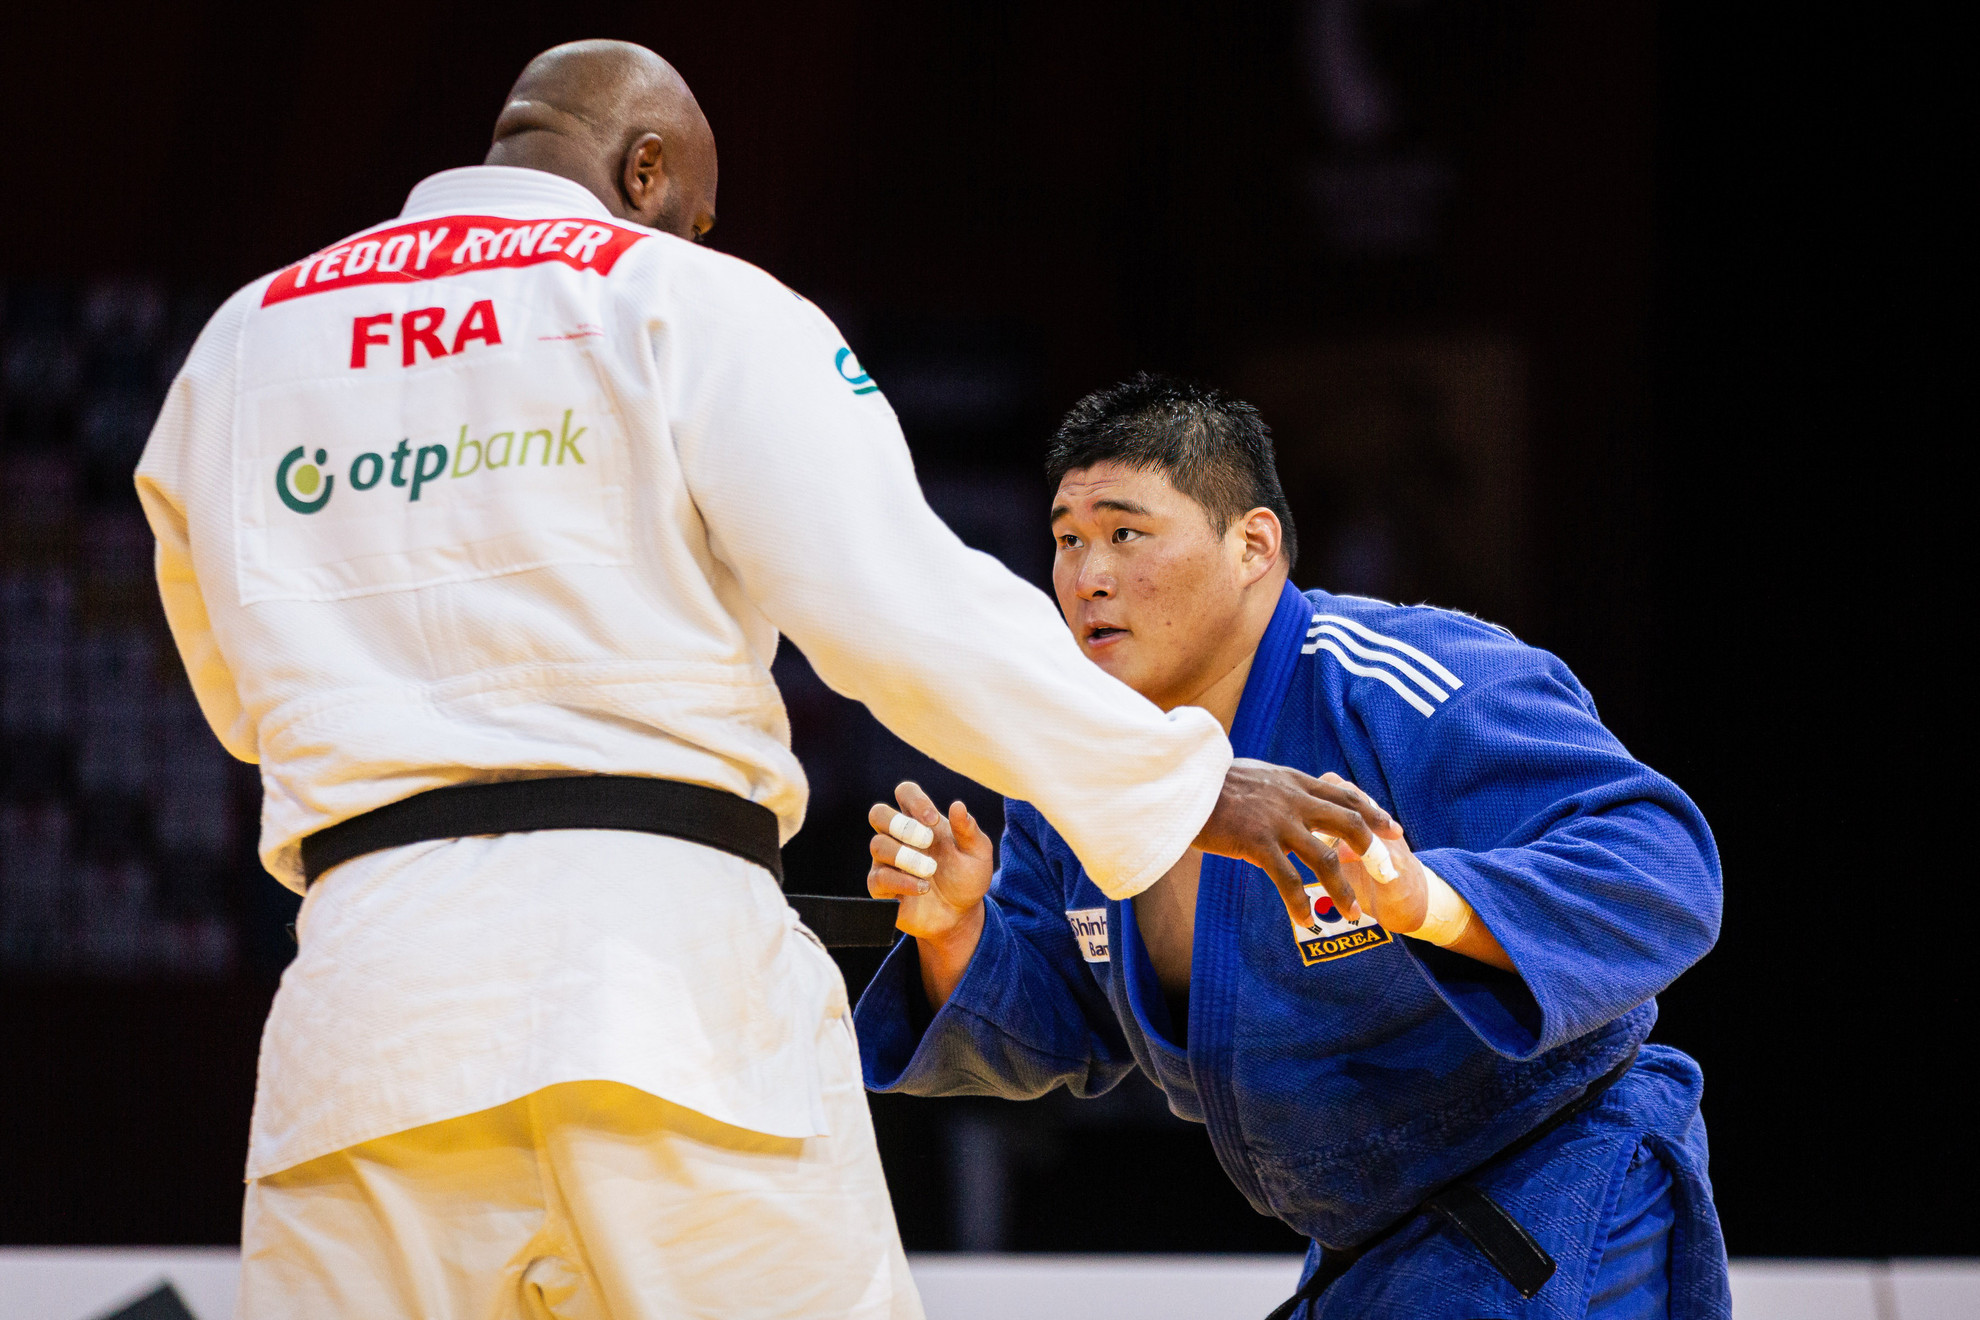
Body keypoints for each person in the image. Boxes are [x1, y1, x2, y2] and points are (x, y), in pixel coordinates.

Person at [136, 43, 1358, 1320]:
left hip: (364, 1026)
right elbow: (901, 609)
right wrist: (1183, 783)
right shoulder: (685, 301)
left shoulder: (244, 347)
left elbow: (236, 701)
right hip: (663, 998)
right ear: (644, 169)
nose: (701, 234)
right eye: (697, 212)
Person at [854, 374, 1731, 1319]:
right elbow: (1052, 1022)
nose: (1087, 575)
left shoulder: (1405, 682)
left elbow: (1662, 864)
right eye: (1068, 539)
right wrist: (953, 929)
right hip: (1378, 1244)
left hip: (1560, 1182)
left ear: (1253, 546)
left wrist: (1424, 901)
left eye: (1126, 533)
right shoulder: (1080, 772)